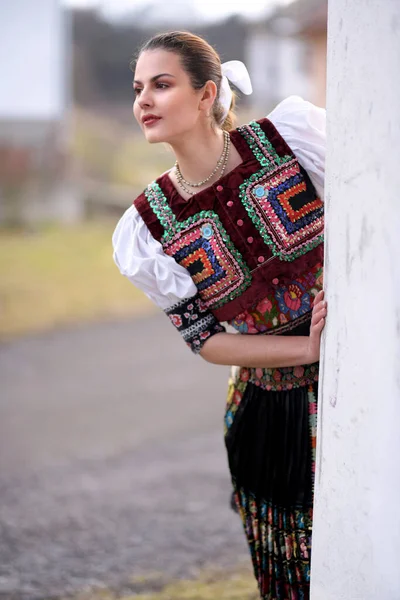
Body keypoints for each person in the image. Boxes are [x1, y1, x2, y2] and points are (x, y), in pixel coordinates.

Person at [112, 30, 327, 600]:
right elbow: (205, 341)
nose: (144, 101)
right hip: (268, 416)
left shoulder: (293, 140)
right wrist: (305, 349)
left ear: (208, 95)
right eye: (138, 89)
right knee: (297, 574)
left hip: (358, 381)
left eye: (162, 85)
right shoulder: (146, 228)